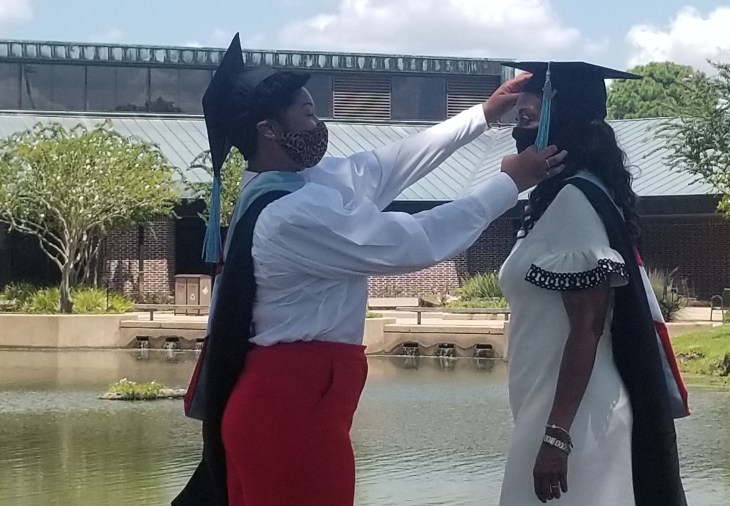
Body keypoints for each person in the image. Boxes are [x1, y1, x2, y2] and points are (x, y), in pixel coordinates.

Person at [172, 35, 567, 506]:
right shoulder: (291, 213)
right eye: (308, 114)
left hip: (298, 403)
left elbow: (385, 166)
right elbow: (413, 241)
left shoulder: (289, 184)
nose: (319, 125)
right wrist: (509, 183)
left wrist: (481, 115)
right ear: (269, 130)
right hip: (288, 413)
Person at [497, 61, 690, 506]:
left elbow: (588, 324)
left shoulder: (575, 200)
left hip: (574, 420)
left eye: (529, 118)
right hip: (551, 407)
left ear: (560, 116)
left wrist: (557, 436)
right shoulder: (559, 198)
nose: (519, 132)